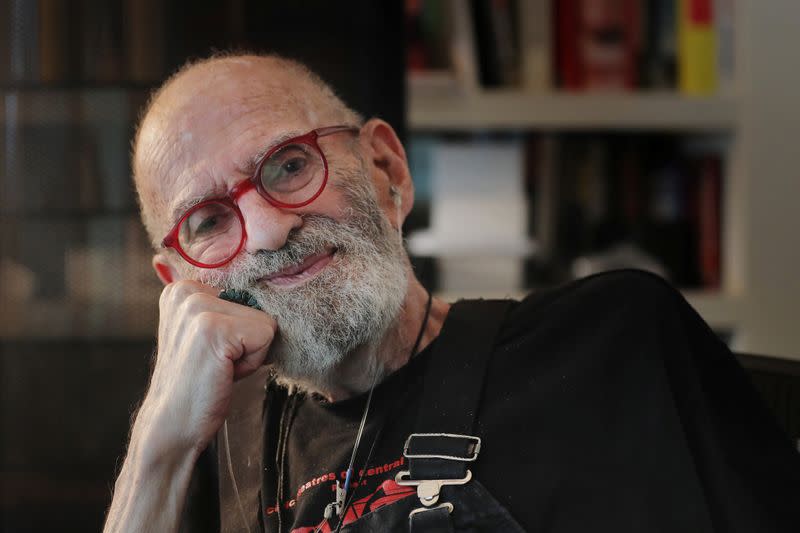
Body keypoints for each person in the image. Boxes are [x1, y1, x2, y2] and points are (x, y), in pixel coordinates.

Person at [104, 53, 800, 533]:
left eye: (288, 165)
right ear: (183, 283)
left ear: (385, 167)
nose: (264, 231)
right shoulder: (201, 448)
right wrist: (157, 448)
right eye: (209, 220)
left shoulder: (613, 342)